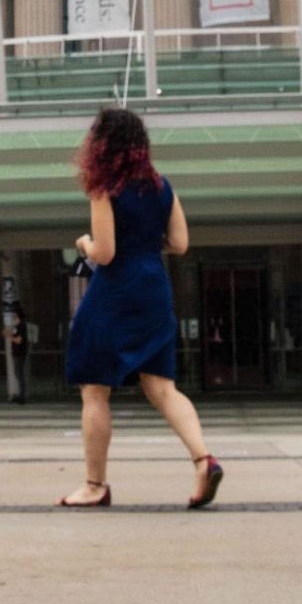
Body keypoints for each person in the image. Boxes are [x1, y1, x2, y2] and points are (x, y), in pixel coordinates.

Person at [60, 108, 223, 509]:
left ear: (101, 145)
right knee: (162, 387)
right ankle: (204, 459)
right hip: (154, 286)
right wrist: (147, 244)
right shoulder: (163, 187)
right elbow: (181, 244)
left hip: (115, 292)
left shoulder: (104, 188)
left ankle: (95, 486)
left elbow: (106, 252)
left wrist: (83, 244)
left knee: (95, 389)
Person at [6, 309, 30, 405]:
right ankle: (20, 395)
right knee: (18, 374)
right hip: (17, 353)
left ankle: (22, 396)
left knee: (20, 374)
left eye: (15, 317)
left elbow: (19, 340)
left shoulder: (21, 326)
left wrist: (9, 336)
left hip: (20, 353)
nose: (13, 318)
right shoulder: (17, 326)